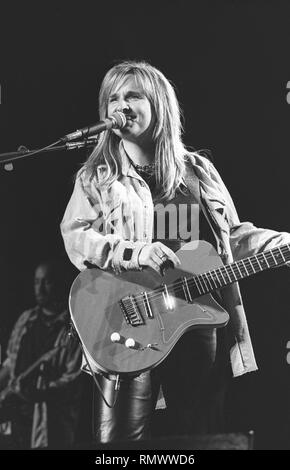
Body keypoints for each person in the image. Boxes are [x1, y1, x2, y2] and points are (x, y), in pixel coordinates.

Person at [60, 60, 290, 444]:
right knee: (120, 445)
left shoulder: (198, 171)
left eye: (132, 95)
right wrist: (135, 253)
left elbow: (231, 238)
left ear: (158, 103)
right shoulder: (98, 176)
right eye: (113, 98)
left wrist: (280, 243)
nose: (121, 105)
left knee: (196, 437)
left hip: (198, 322)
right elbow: (76, 236)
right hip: (129, 319)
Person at [0, 258, 83, 449]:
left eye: (46, 281)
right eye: (37, 282)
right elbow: (10, 364)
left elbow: (72, 379)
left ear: (59, 283)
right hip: (17, 422)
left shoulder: (71, 327)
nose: (40, 288)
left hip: (50, 424)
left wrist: (36, 393)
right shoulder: (26, 320)